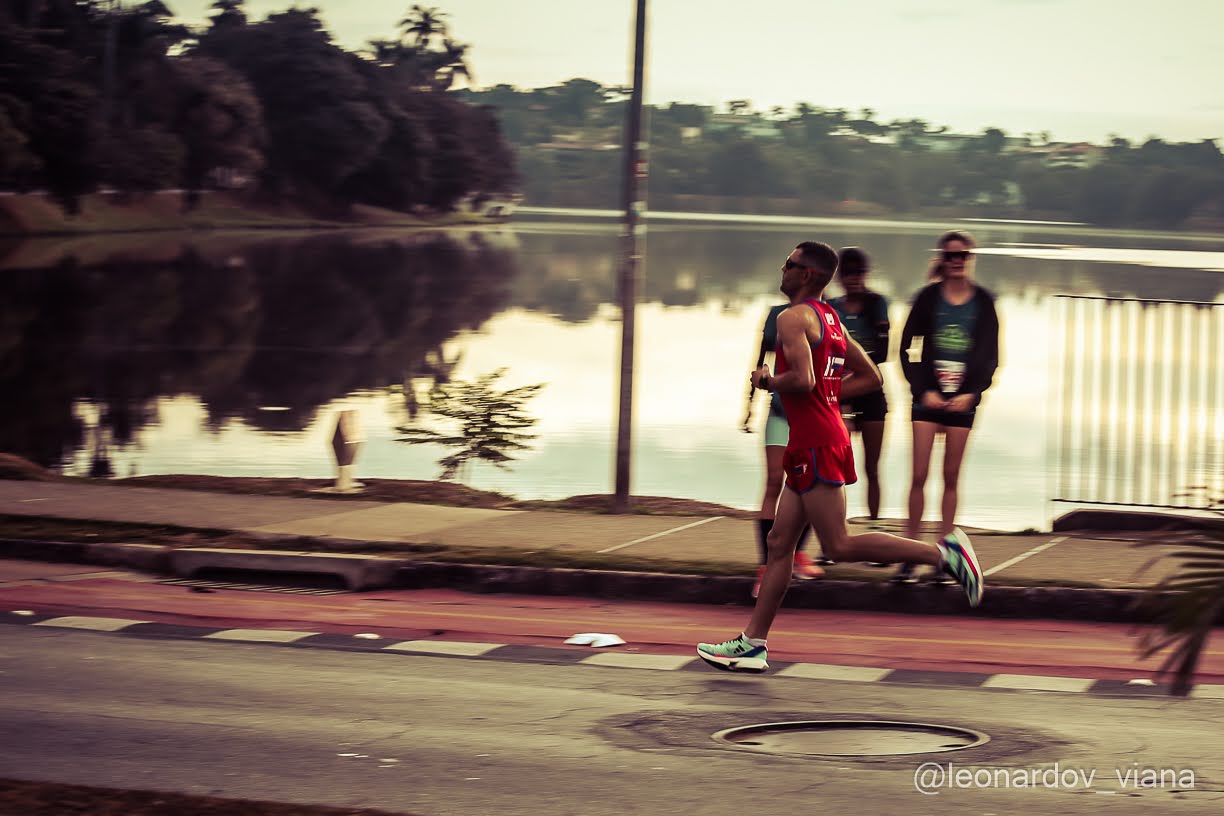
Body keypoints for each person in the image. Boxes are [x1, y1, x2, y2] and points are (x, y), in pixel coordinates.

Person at [697, 241, 984, 673]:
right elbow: (868, 376)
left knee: (839, 543)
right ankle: (752, 644)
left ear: (808, 274)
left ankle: (944, 555)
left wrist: (768, 381)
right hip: (813, 438)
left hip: (815, 442)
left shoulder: (793, 318)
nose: (783, 267)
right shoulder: (829, 317)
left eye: (790, 263)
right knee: (779, 545)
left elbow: (803, 378)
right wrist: (828, 398)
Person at [893, 230, 1000, 585]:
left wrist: (972, 393)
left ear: (970, 258)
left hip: (963, 402)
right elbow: (908, 349)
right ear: (942, 258)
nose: (957, 260)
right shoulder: (927, 299)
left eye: (963, 255)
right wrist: (922, 390)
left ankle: (945, 555)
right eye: (951, 255)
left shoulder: (983, 302)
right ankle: (910, 555)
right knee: (919, 476)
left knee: (951, 478)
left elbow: (990, 357)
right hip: (928, 400)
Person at [750, 304, 826, 599]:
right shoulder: (775, 314)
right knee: (773, 481)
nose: (786, 272)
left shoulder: (826, 316)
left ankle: (797, 555)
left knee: (807, 484)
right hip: (780, 411)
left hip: (812, 416)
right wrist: (750, 401)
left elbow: (837, 366)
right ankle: (765, 566)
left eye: (793, 267)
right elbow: (761, 358)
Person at [828, 247, 890, 523]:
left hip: (871, 392)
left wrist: (855, 369)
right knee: (836, 469)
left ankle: (874, 527)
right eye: (848, 273)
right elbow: (826, 351)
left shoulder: (877, 303)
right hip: (840, 393)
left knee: (871, 468)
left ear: (866, 275)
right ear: (839, 277)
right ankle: (834, 532)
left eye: (859, 273)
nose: (853, 279)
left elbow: (883, 352)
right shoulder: (831, 307)